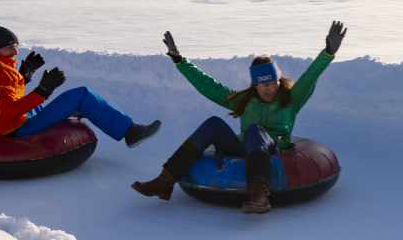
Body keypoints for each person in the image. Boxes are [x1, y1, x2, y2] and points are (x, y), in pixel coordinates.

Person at [131, 20, 347, 214]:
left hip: (273, 148)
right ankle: (165, 181)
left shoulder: (290, 99)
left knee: (255, 131)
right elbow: (208, 86)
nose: (269, 89)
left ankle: (260, 195)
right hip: (245, 148)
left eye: (273, 83)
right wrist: (179, 60)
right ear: (255, 84)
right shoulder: (244, 100)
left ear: (279, 82)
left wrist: (328, 52)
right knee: (213, 124)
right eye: (264, 84)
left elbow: (311, 76)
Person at [0, 23, 160, 146]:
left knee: (50, 104)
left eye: (15, 47)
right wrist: (42, 90)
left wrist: (24, 76)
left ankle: (80, 110)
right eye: (8, 48)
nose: (14, 53)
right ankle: (130, 132)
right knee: (80, 95)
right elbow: (4, 111)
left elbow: (3, 97)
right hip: (7, 130)